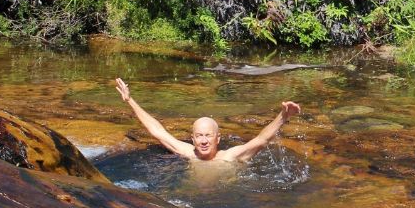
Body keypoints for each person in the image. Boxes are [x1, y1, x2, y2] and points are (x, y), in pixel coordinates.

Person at [113, 77, 301, 162]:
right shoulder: (188, 152)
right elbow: (158, 131)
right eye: (199, 136)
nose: (203, 140)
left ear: (218, 138)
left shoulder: (230, 157)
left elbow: (261, 140)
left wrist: (282, 116)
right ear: (192, 139)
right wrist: (130, 101)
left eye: (208, 136)